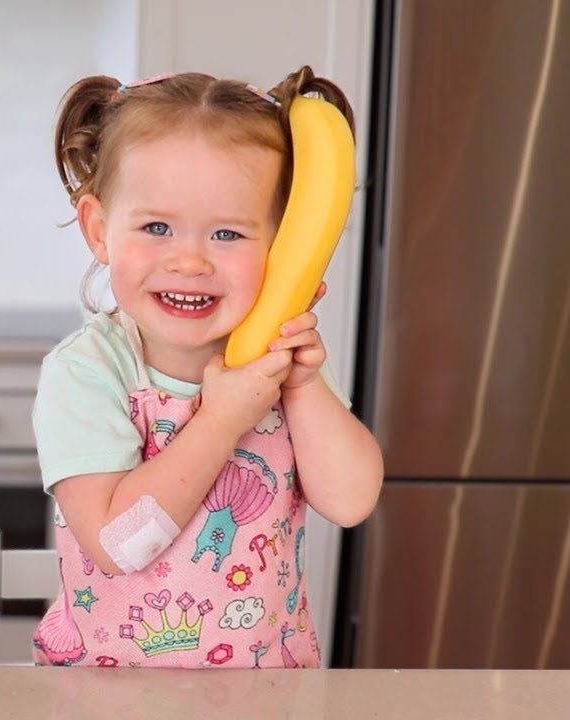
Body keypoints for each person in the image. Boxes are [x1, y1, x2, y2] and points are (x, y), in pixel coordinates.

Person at [31, 66, 384, 669]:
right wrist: (223, 417)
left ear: (282, 245)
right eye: (157, 227)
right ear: (99, 229)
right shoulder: (87, 373)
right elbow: (118, 544)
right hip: (107, 698)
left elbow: (351, 501)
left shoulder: (281, 368)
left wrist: (300, 389)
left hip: (265, 690)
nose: (190, 261)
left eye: (228, 233)